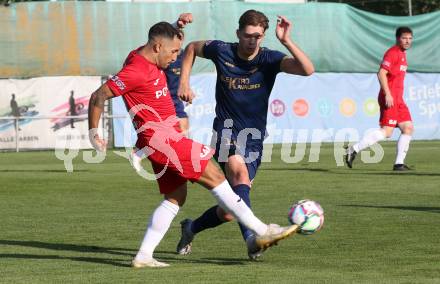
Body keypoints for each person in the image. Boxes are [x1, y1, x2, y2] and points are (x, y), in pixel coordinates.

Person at [87, 16, 298, 268]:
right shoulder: (135, 70)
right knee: (217, 178)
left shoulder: (141, 55)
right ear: (156, 48)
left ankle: (144, 255)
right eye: (173, 52)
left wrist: (177, 29)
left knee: (175, 197)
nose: (175, 57)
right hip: (166, 140)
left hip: (157, 140)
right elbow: (98, 95)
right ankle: (262, 230)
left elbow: (168, 41)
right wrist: (93, 132)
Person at [177, 10, 314, 260]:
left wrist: (287, 42)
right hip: (225, 132)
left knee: (230, 210)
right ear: (238, 33)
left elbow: (307, 70)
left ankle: (191, 227)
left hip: (253, 138)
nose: (252, 41)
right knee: (238, 172)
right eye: (248, 35)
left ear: (263, 36)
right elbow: (191, 48)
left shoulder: (269, 59)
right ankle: (252, 239)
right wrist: (183, 82)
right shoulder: (221, 50)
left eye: (258, 36)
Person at [345, 27, 414, 171]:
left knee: (408, 128)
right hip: (390, 97)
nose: (407, 41)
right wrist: (387, 93)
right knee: (387, 132)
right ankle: (353, 149)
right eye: (404, 38)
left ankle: (399, 164)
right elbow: (381, 73)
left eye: (410, 38)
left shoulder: (402, 54)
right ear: (397, 39)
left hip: (399, 99)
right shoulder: (393, 53)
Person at [130, 14, 191, 172]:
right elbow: (157, 40)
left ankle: (140, 151)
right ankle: (171, 160)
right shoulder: (163, 55)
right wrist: (177, 24)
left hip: (176, 99)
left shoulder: (181, 55)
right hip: (164, 99)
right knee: (177, 131)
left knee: (181, 129)